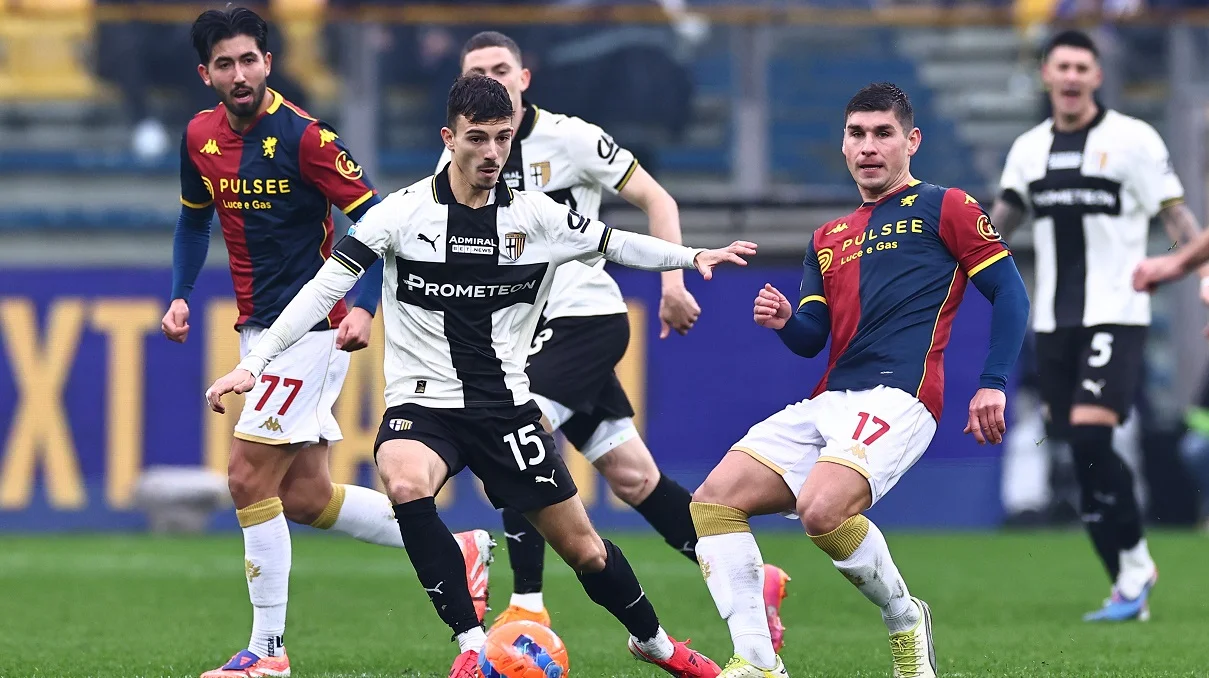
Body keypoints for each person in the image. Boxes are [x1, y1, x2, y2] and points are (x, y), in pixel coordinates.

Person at [205, 73, 752, 678]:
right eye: (477, 139)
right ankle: (472, 644)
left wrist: (691, 255)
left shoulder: (537, 216)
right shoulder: (399, 216)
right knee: (404, 479)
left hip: (506, 409)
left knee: (585, 550)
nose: (492, 153)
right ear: (449, 138)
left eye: (502, 138)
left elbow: (618, 243)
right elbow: (321, 291)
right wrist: (254, 362)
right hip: (423, 403)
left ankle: (656, 644)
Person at [163, 9, 493, 678]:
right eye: (224, 64)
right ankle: (454, 548)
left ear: (268, 61)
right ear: (207, 75)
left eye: (249, 59)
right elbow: (193, 221)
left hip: (314, 329)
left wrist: (364, 308)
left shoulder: (307, 138)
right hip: (261, 329)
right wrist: (180, 293)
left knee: (245, 476)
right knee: (306, 497)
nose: (239, 73)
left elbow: (379, 224)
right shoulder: (199, 138)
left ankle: (267, 653)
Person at [439, 30, 791, 643]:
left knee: (515, 435)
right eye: (479, 73)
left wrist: (674, 283)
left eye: (503, 69)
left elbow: (657, 197)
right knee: (634, 480)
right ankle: (750, 579)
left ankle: (526, 605)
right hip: (523, 337)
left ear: (525, 79)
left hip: (584, 319)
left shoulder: (571, 139)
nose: (493, 81)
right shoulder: (458, 161)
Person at [688, 82, 1030, 677]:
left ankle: (905, 619)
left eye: (883, 133)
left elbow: (1010, 292)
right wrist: (785, 320)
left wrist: (993, 380)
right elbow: (811, 339)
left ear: (911, 141)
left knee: (821, 510)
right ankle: (758, 662)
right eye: (857, 134)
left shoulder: (945, 205)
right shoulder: (827, 238)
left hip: (902, 396)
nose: (869, 146)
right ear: (843, 146)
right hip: (831, 397)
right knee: (714, 502)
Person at [989, 29, 1198, 622]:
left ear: (1098, 76)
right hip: (1056, 320)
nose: (1073, 76)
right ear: (1047, 76)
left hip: (1117, 312)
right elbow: (999, 222)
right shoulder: (1029, 149)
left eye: (1083, 66)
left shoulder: (1133, 140)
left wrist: (1195, 266)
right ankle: (1129, 580)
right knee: (1079, 453)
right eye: (1063, 66)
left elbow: (1176, 214)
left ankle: (1135, 566)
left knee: (1089, 435)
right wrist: (956, 259)